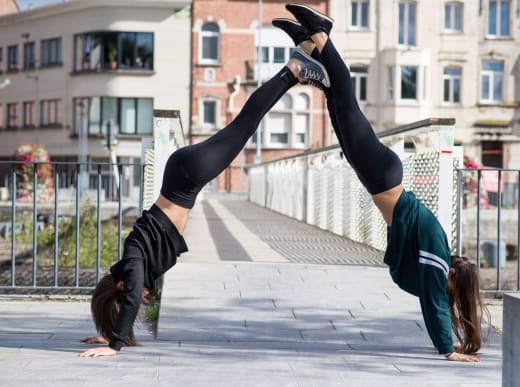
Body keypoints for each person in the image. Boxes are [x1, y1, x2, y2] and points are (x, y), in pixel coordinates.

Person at [79, 49, 331, 357]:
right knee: (245, 126)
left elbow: (130, 299)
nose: (143, 294)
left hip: (187, 175)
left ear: (120, 286)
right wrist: (109, 334)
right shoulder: (140, 263)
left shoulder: (133, 262)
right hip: (184, 175)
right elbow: (129, 301)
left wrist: (114, 346)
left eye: (135, 293)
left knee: (246, 124)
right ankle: (298, 69)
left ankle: (293, 69)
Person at [274, 3, 490, 362]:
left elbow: (431, 300)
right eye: (452, 286)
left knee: (338, 110)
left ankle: (309, 48)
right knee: (346, 104)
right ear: (452, 273)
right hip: (382, 175)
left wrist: (449, 341)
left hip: (379, 176)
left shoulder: (433, 257)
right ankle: (322, 34)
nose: (445, 290)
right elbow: (435, 299)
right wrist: (445, 350)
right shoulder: (437, 256)